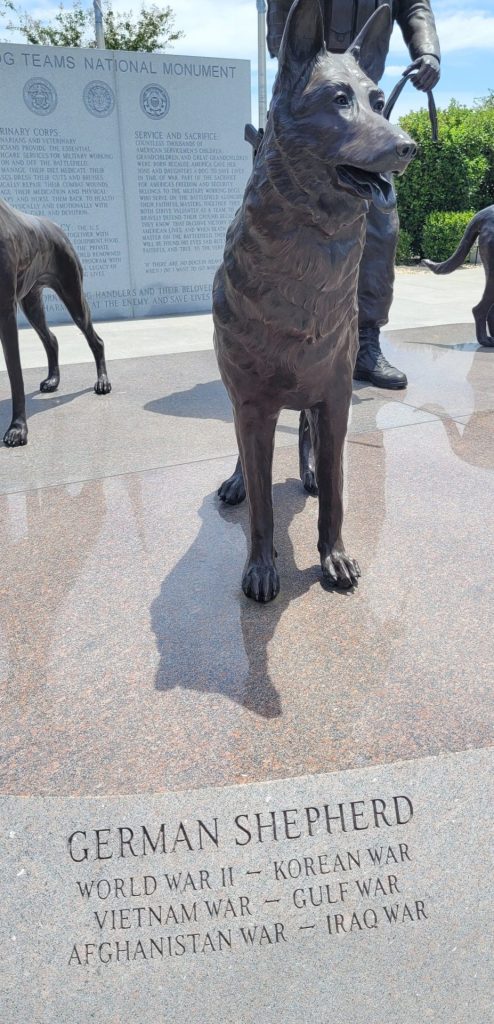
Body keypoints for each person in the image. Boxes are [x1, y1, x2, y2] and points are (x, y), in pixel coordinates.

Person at [267, 0, 441, 389]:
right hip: (310, 101)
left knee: (381, 230)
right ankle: (279, 339)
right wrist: (293, 59)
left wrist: (427, 52)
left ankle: (365, 343)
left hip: (363, 110)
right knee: (279, 226)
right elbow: (281, 15)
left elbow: (415, 7)